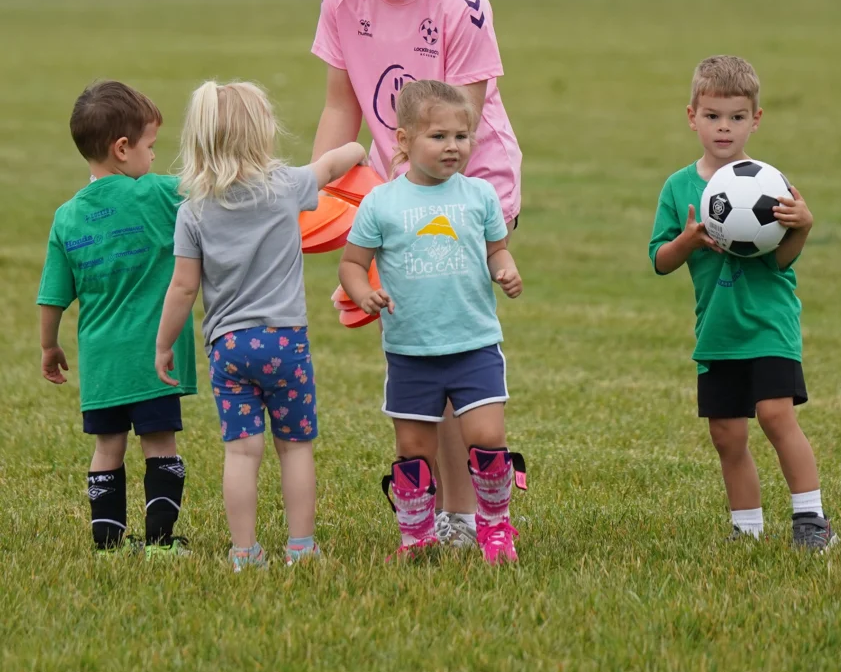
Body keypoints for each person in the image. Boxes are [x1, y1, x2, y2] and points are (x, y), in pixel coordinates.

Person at [311, 0, 522, 548]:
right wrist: (321, 196)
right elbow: (340, 106)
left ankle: (464, 516)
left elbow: (452, 124)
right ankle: (450, 510)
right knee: (420, 338)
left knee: (452, 338)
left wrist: (392, 204)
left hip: (469, 182)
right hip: (393, 189)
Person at [155, 80, 365, 572]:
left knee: (242, 454)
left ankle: (244, 552)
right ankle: (301, 547)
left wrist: (165, 344)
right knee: (295, 449)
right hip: (285, 343)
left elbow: (183, 289)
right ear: (262, 132)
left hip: (228, 348)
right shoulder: (286, 187)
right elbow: (335, 164)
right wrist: (358, 145)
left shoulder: (192, 211)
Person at [649, 56, 836, 549]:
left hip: (769, 323)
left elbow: (782, 262)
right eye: (712, 116)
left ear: (756, 119)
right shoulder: (678, 187)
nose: (724, 127)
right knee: (727, 435)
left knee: (777, 415)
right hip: (717, 330)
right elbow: (661, 261)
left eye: (736, 117)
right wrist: (688, 240)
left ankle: (811, 520)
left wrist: (803, 226)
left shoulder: (771, 184)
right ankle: (746, 528)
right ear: (692, 116)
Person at [339, 80, 526, 564]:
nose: (453, 147)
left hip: (474, 343)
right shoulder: (382, 203)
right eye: (438, 136)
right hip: (410, 350)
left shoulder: (480, 196)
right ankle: (416, 536)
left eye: (462, 137)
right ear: (403, 141)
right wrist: (363, 294)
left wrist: (504, 268)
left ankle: (496, 528)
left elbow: (496, 249)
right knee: (413, 449)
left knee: (488, 439)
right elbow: (352, 263)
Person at [37, 80, 196, 559]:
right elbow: (213, 184)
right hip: (154, 359)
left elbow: (51, 298)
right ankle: (161, 543)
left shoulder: (66, 218)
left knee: (107, 447)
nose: (154, 158)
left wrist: (50, 346)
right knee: (160, 445)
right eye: (150, 146)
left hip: (102, 366)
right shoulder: (158, 194)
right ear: (122, 148)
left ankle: (107, 543)